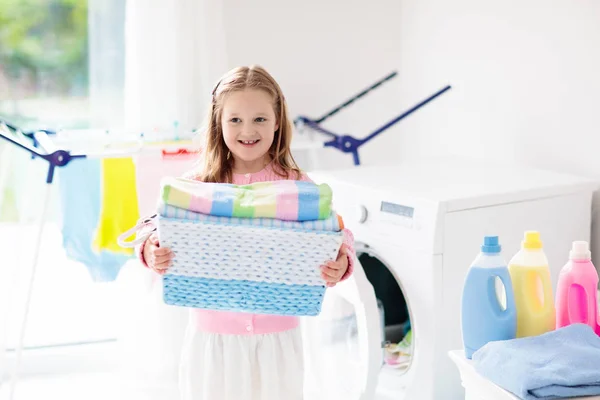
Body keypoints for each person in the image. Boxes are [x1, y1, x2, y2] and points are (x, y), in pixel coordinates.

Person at [137, 65, 356, 400]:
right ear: (218, 123)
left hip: (277, 338)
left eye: (260, 119)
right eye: (235, 119)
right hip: (212, 337)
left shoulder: (296, 185)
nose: (248, 130)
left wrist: (341, 260)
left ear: (278, 121)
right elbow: (156, 226)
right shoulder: (199, 184)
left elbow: (337, 232)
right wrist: (151, 250)